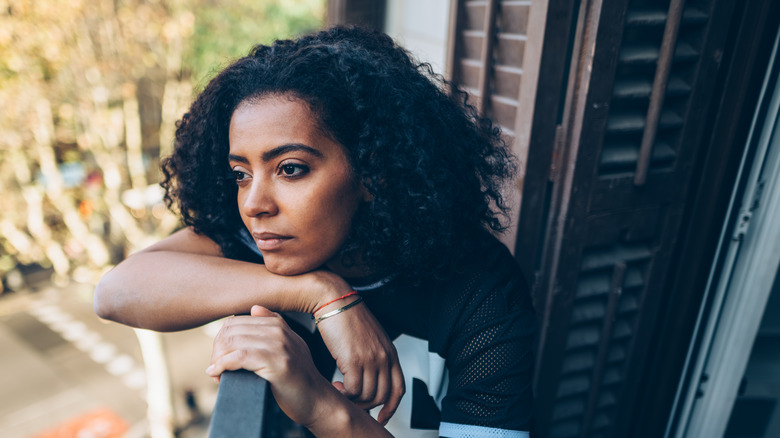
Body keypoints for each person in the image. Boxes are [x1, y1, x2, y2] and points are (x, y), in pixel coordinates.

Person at [94, 26, 535, 437]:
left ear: (373, 172)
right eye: (241, 174)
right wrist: (322, 293)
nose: (253, 204)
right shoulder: (259, 241)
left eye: (290, 169)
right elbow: (115, 292)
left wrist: (323, 408)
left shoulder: (481, 291)